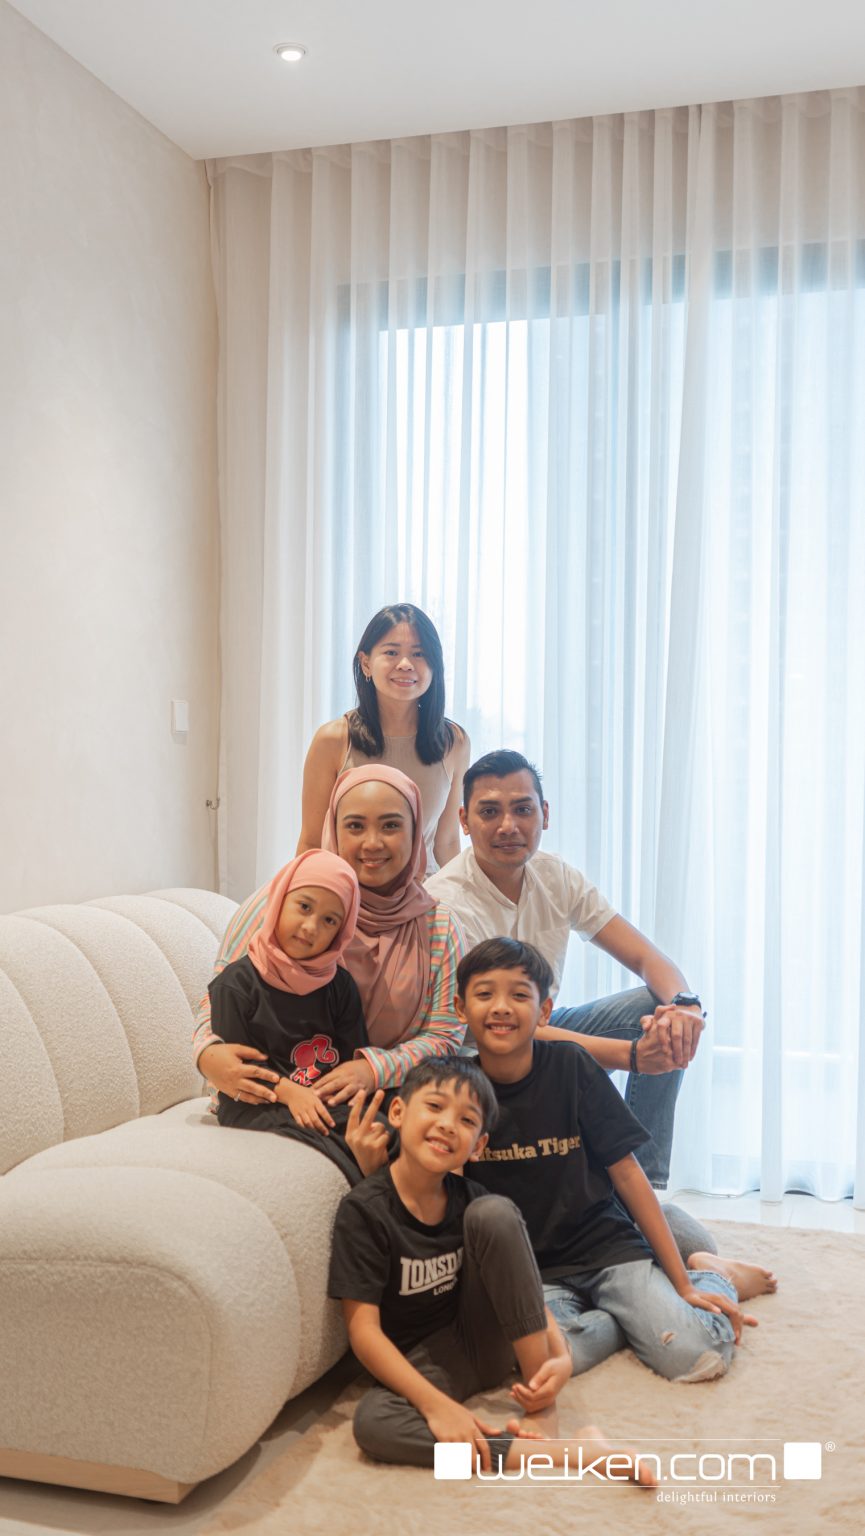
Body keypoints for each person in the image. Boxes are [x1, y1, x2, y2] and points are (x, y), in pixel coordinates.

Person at [456, 938, 777, 1385]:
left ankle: (711, 1274)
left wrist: (682, 1285)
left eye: (519, 994)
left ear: (545, 1011)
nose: (501, 1007)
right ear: (460, 1008)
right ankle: (626, 1321)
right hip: (537, 1272)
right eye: (485, 994)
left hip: (607, 1249)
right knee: (536, 1359)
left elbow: (627, 1173)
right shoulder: (459, 1090)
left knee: (697, 1354)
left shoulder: (571, 1065)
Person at [327, 1056, 655, 1486]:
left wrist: (555, 1355)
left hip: (494, 1337)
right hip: (427, 1361)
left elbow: (521, 1288)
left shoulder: (474, 1200)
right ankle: (568, 1455)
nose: (447, 1125)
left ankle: (542, 1401)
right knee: (374, 1428)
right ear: (399, 1112)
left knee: (495, 1214)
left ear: (478, 1145)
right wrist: (434, 1405)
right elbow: (364, 1333)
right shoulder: (364, 1211)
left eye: (466, 1120)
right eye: (435, 1106)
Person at [426, 749, 704, 1187]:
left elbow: (646, 957)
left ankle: (643, 1186)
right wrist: (632, 1057)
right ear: (464, 820)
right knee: (567, 1041)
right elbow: (496, 1027)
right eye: (490, 812)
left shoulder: (555, 876)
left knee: (663, 1015)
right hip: (481, 1055)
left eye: (522, 809)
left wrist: (685, 1007)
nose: (508, 826)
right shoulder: (446, 901)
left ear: (545, 814)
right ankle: (628, 1191)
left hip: (542, 1030)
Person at [193, 765, 465, 1108]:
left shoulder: (439, 927)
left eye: (391, 825)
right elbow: (220, 995)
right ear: (333, 830)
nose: (372, 843)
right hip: (271, 1097)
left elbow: (444, 1034)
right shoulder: (281, 901)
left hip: (385, 1100)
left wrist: (373, 1070)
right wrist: (207, 1053)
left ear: (415, 832)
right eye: (355, 826)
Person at [212, 848, 388, 1182]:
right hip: (258, 1103)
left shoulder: (340, 985)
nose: (310, 927)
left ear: (341, 932)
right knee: (326, 1139)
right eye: (304, 907)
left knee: (390, 1125)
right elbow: (238, 1071)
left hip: (324, 1100)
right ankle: (367, 1187)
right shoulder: (235, 984)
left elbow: (350, 1062)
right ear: (279, 901)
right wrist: (291, 1093)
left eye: (329, 921)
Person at [297, 604, 470, 873]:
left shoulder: (454, 741)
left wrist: (458, 897)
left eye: (419, 654)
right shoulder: (333, 739)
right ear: (366, 663)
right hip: (351, 890)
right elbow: (311, 842)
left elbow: (446, 843)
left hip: (426, 891)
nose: (405, 664)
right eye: (391, 652)